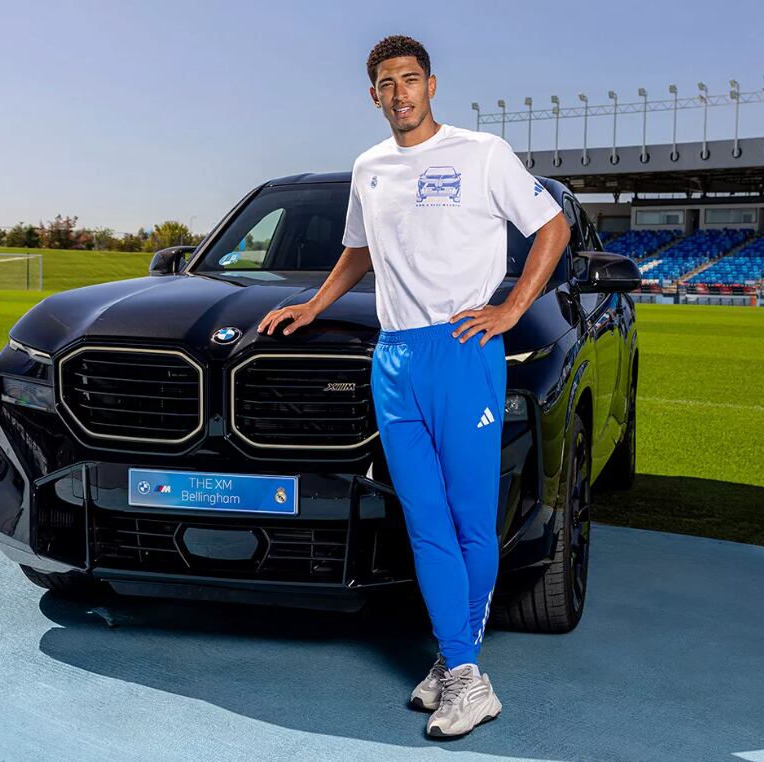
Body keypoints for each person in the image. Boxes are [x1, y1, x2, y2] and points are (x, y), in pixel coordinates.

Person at [256, 34, 570, 738]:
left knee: (466, 521)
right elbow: (359, 250)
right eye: (386, 83)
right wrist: (314, 304)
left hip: (463, 354)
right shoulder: (369, 168)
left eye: (410, 79)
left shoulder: (480, 154)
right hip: (393, 360)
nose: (400, 93)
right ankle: (458, 664)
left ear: (432, 84)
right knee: (425, 524)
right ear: (373, 95)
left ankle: (463, 671)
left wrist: (512, 309)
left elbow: (550, 227)